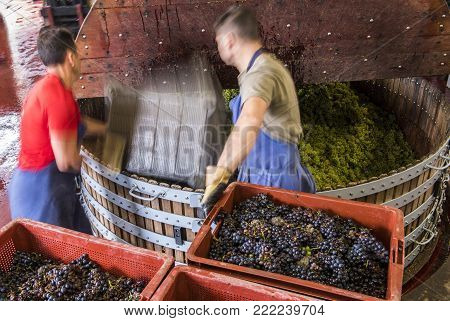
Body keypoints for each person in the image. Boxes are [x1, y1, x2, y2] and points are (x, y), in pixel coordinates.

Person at [202, 6, 316, 202]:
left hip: (273, 181)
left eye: (218, 41)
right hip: (263, 174)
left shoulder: (260, 74)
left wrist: (219, 176)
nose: (218, 46)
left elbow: (250, 119)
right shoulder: (261, 68)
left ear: (229, 40)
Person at [9, 27, 106, 233]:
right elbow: (67, 162)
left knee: (84, 242)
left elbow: (79, 125)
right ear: (71, 57)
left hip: (36, 184)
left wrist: (111, 129)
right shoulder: (59, 98)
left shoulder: (45, 87)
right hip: (43, 192)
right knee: (62, 257)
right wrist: (105, 166)